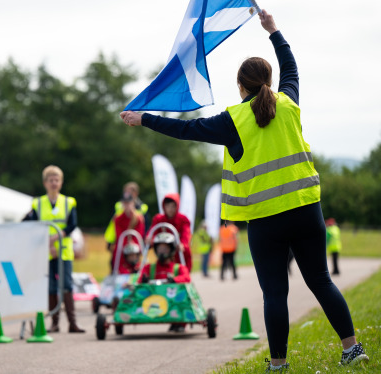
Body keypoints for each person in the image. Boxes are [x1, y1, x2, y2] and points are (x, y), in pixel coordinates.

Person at [120, 10, 368, 370]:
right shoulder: (289, 104)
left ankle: (279, 364)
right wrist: (274, 31)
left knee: (274, 294)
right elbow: (292, 69)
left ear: (241, 86)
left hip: (265, 221)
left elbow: (186, 130)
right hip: (305, 210)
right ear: (268, 80)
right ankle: (352, 348)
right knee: (321, 280)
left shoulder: (231, 121)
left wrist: (144, 118)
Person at [23, 165, 85, 333]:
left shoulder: (69, 202)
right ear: (45, 183)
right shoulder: (38, 203)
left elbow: (72, 224)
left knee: (67, 285)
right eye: (51, 180)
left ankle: (73, 323)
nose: (54, 183)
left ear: (61, 182)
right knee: (50, 286)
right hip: (46, 252)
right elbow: (33, 225)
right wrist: (47, 243)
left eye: (57, 180)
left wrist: (56, 238)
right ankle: (54, 322)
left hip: (63, 250)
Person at [139, 232, 191, 332]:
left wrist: (174, 280)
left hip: (172, 300)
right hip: (152, 300)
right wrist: (143, 280)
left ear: (171, 249)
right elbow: (139, 280)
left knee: (182, 292)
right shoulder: (149, 268)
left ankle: (180, 323)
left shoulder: (178, 268)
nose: (162, 251)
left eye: (165, 248)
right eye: (159, 248)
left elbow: (187, 278)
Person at [148, 193, 192, 272]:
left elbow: (186, 234)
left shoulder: (183, 219)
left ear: (177, 206)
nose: (170, 209)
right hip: (164, 254)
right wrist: (150, 239)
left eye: (173, 206)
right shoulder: (159, 219)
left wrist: (183, 245)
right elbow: (152, 232)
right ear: (164, 207)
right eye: (168, 206)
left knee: (181, 272)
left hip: (178, 253)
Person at [104, 182, 150, 250]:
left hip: (136, 241)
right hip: (118, 239)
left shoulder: (142, 207)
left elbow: (145, 226)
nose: (127, 194)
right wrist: (110, 241)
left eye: (129, 192)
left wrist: (142, 242)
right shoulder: (118, 205)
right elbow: (113, 223)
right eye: (125, 191)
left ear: (136, 193)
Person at [111, 193, 145, 272]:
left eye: (129, 203)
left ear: (133, 203)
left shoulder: (138, 218)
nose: (127, 205)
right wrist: (127, 243)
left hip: (135, 244)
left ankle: (138, 270)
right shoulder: (118, 218)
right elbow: (119, 235)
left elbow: (139, 235)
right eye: (125, 203)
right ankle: (121, 271)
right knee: (117, 250)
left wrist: (133, 244)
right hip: (123, 244)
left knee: (136, 251)